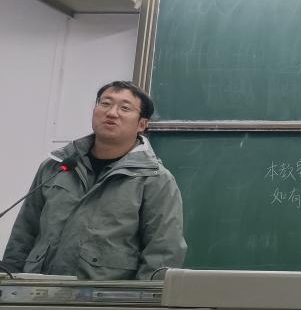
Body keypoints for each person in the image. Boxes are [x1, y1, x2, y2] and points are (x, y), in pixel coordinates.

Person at [2, 81, 186, 280]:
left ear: (142, 124)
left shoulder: (154, 179)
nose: (112, 113)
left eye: (125, 108)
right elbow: (23, 233)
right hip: (39, 292)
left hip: (104, 296)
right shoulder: (56, 166)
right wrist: (8, 284)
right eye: (105, 103)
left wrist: (137, 299)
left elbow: (162, 253)